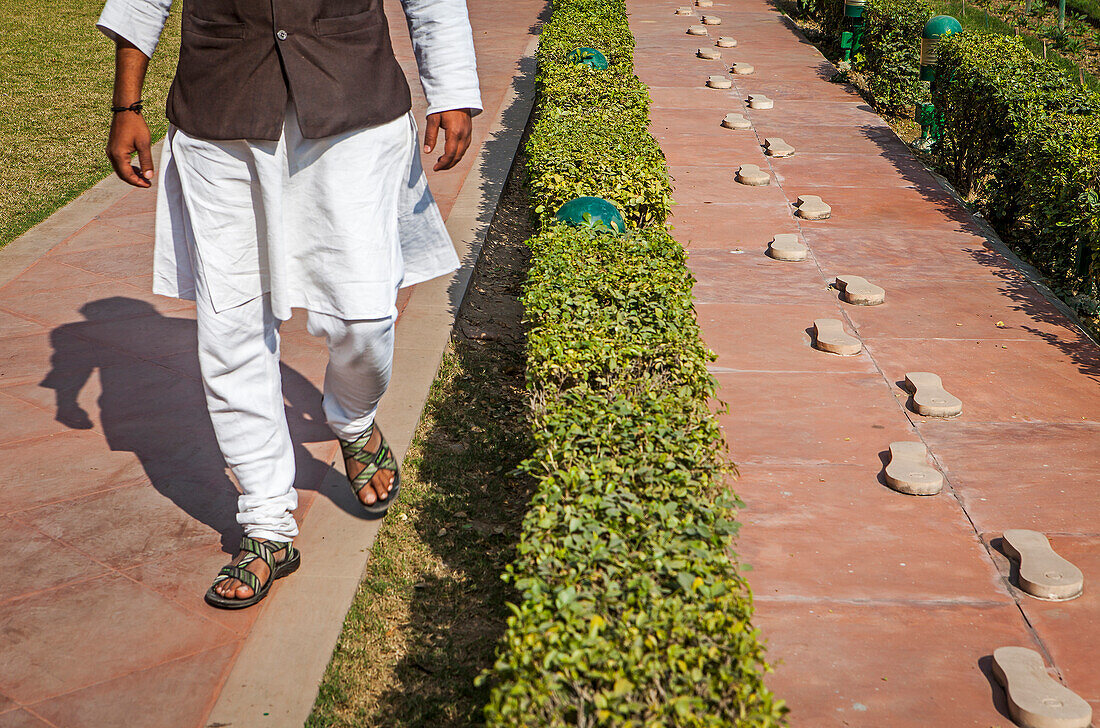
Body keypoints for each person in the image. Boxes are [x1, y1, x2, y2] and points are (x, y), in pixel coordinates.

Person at [98, 0, 481, 609]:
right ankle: (267, 524)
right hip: (220, 114)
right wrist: (127, 106)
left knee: (362, 320)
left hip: (353, 113)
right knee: (230, 332)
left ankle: (353, 420)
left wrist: (453, 87)